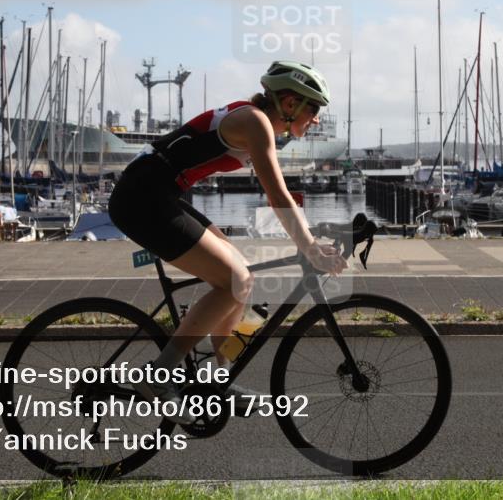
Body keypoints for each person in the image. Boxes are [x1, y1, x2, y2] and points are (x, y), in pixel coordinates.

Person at [108, 61, 348, 420]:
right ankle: (159, 376)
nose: (315, 118)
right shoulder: (255, 123)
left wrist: (309, 242)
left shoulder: (254, 119)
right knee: (236, 279)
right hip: (142, 199)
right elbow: (278, 195)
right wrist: (310, 248)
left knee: (242, 276)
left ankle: (217, 381)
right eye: (312, 108)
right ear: (288, 102)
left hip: (159, 194)